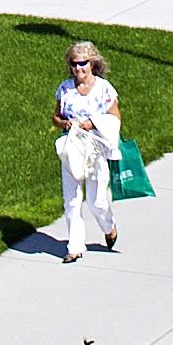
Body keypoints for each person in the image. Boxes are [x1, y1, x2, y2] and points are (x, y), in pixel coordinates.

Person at [51, 40, 121, 261]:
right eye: (74, 64)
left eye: (82, 63)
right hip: (72, 150)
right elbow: (56, 116)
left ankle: (108, 226)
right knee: (71, 199)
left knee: (96, 201)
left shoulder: (104, 89)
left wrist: (92, 122)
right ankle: (74, 246)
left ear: (92, 64)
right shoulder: (65, 89)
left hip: (95, 150)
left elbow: (115, 117)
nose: (78, 69)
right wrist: (65, 124)